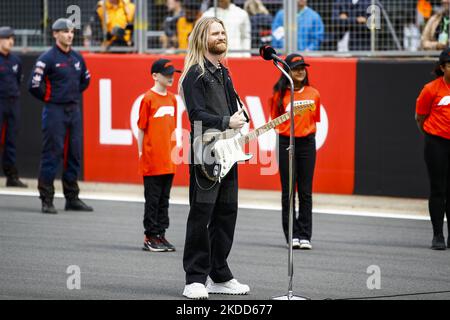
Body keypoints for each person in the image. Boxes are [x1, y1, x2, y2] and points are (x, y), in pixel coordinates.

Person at [179, 17, 250, 299]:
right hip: (204, 152)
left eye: (223, 32)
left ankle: (218, 275)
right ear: (201, 38)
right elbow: (196, 115)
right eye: (215, 33)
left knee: (226, 214)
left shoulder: (224, 71)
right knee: (201, 214)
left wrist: (240, 120)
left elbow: (234, 112)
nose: (222, 36)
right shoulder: (193, 74)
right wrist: (226, 121)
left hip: (228, 152)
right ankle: (194, 278)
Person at [28, 18, 93, 214]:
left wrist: (70, 96)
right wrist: (52, 98)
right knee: (52, 153)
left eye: (71, 31)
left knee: (74, 153)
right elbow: (33, 85)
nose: (69, 35)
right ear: (55, 34)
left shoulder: (77, 57)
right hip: (54, 111)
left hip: (73, 110)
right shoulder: (46, 58)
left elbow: (86, 81)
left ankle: (72, 197)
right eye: (64, 31)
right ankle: (46, 198)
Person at [270, 53, 320, 250]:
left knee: (305, 192)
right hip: (285, 143)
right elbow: (275, 120)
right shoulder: (278, 95)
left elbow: (313, 120)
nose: (300, 71)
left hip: (307, 144)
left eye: (303, 67)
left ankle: (305, 235)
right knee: (288, 191)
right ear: (287, 71)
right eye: (296, 67)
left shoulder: (314, 93)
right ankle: (292, 234)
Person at [137, 58, 180, 252]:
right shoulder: (148, 99)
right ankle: (150, 236)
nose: (171, 77)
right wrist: (141, 152)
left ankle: (161, 234)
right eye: (166, 74)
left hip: (168, 159)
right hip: (152, 159)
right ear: (155, 76)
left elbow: (173, 128)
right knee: (153, 199)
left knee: (164, 199)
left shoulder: (172, 99)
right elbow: (141, 129)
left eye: (172, 73)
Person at [415, 48, 450, 250]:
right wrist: (431, 134)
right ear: (442, 67)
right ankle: (438, 235)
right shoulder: (431, 89)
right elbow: (420, 117)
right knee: (438, 189)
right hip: (436, 142)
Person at [0, 26, 27, 188]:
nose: (11, 41)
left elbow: (18, 81)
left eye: (12, 38)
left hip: (13, 103)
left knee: (11, 140)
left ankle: (11, 176)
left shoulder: (16, 61)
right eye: (7, 38)